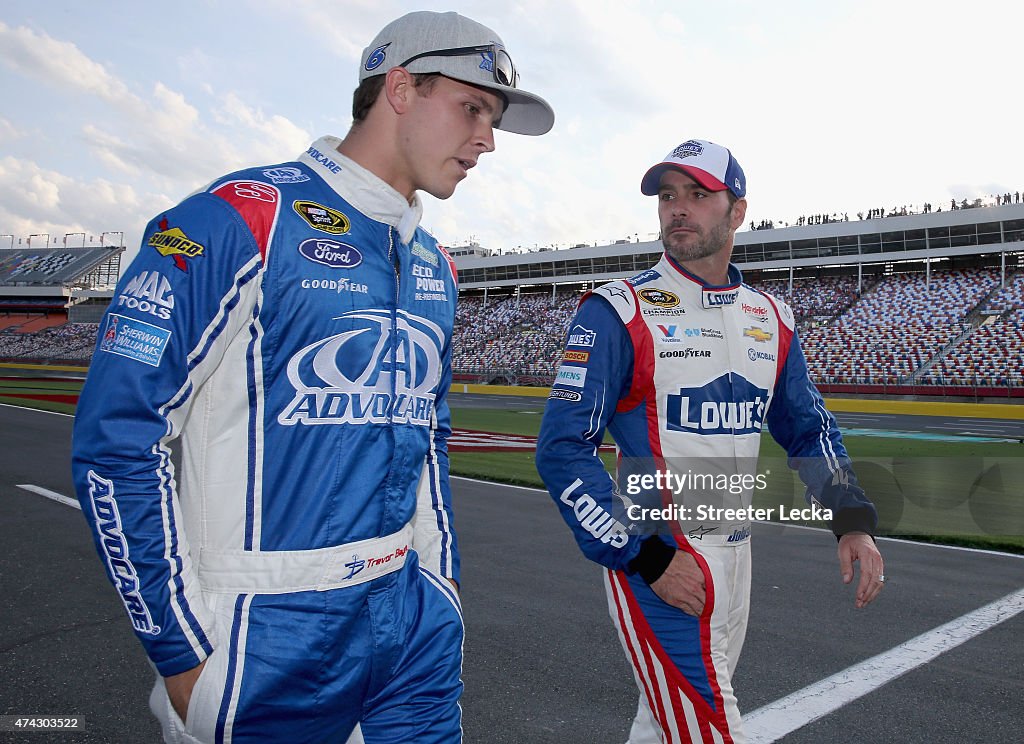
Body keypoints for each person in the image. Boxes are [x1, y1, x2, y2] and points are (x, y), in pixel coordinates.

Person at [71, 11, 553, 744]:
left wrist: (440, 583)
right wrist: (180, 651)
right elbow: (116, 440)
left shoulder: (434, 265)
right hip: (263, 634)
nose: (486, 139)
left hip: (409, 625)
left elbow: (430, 440)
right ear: (400, 89)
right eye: (473, 108)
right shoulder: (238, 218)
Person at [535, 139, 883, 744]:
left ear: (737, 212)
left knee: (664, 725)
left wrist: (851, 518)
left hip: (736, 552)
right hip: (662, 558)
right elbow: (563, 449)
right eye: (668, 196)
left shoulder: (770, 317)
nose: (678, 209)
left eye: (698, 195)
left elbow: (807, 426)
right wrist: (645, 556)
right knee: (711, 729)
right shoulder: (620, 310)